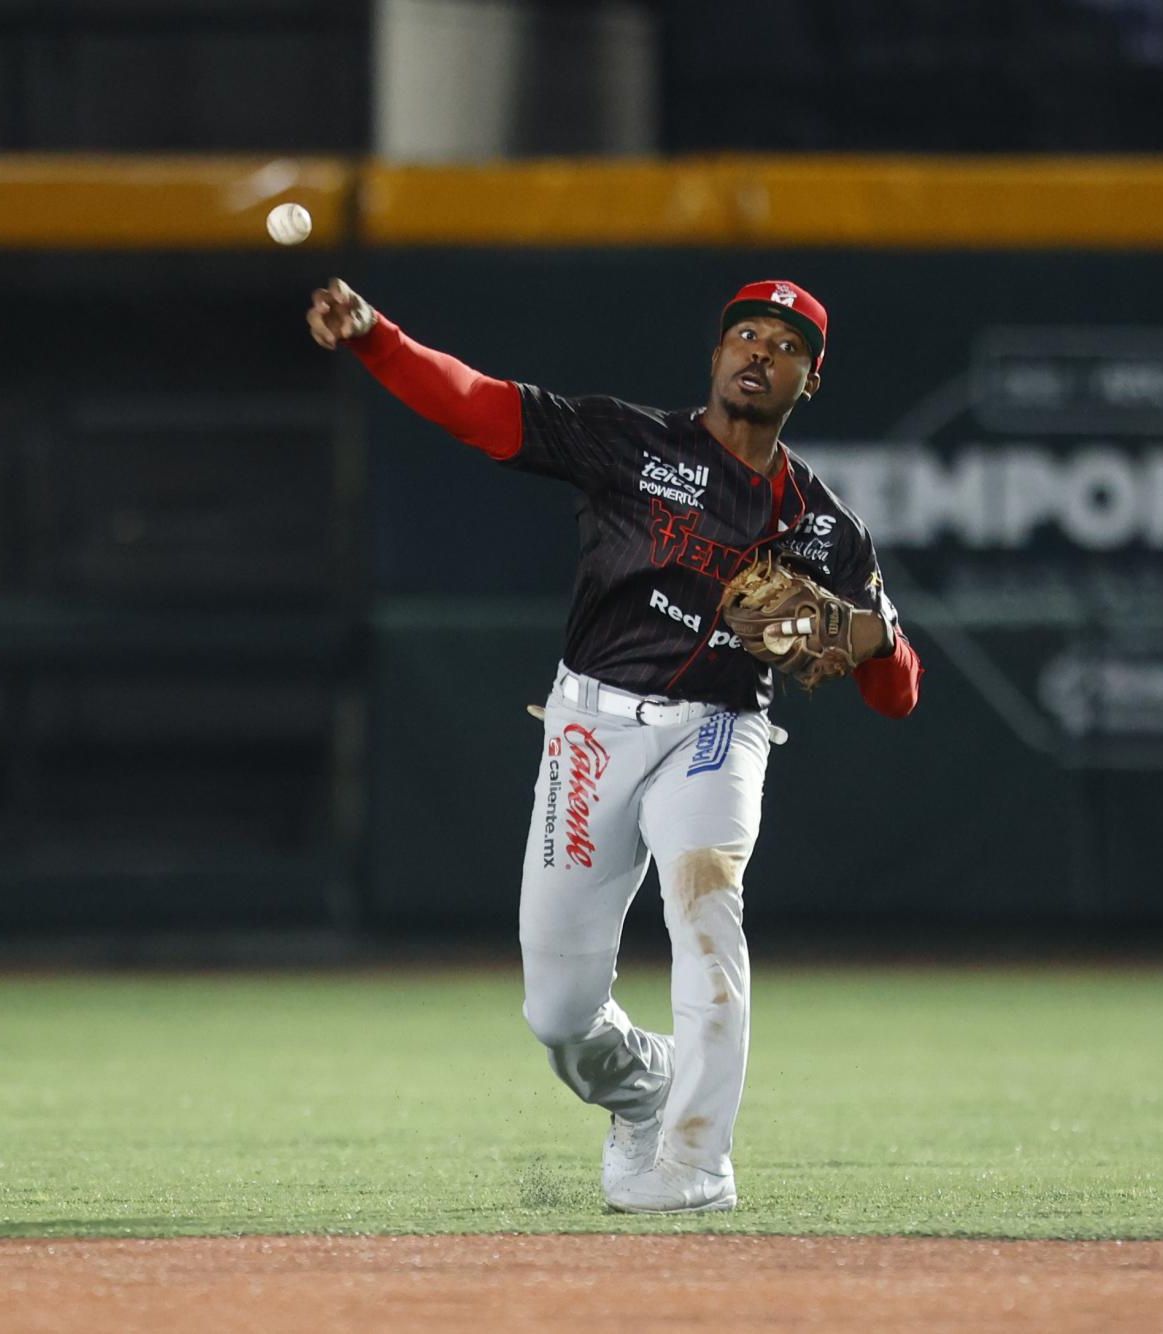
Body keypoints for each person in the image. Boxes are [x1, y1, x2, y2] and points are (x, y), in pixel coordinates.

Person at [308, 277, 922, 1213]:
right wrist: (375, 338)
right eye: (745, 334)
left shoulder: (828, 529)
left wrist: (868, 635)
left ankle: (696, 1163)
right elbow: (479, 408)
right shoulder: (629, 443)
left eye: (787, 344)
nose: (761, 352)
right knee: (556, 1014)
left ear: (813, 377)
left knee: (706, 901)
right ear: (715, 358)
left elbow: (898, 696)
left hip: (719, 731)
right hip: (591, 723)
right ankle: (646, 1093)